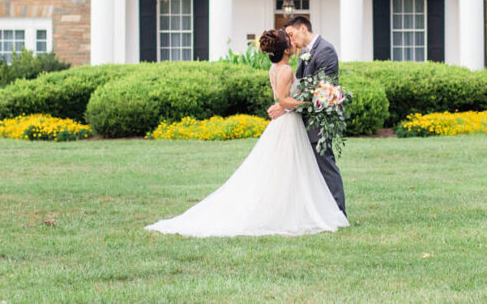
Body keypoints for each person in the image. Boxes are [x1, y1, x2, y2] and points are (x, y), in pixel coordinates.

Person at [144, 28, 348, 237]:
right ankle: (292, 211)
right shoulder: (286, 70)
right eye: (289, 40)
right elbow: (283, 100)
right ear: (285, 49)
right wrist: (309, 102)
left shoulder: (274, 68)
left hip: (284, 122)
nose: (293, 42)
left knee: (284, 170)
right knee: (290, 168)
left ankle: (291, 208)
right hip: (289, 123)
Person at [268, 15, 346, 217]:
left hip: (317, 121)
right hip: (301, 121)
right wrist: (284, 104)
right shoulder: (304, 54)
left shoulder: (325, 51)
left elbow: (323, 91)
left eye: (292, 34)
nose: (291, 40)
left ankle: (338, 212)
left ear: (303, 28)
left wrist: (285, 105)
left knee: (325, 165)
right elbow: (301, 88)